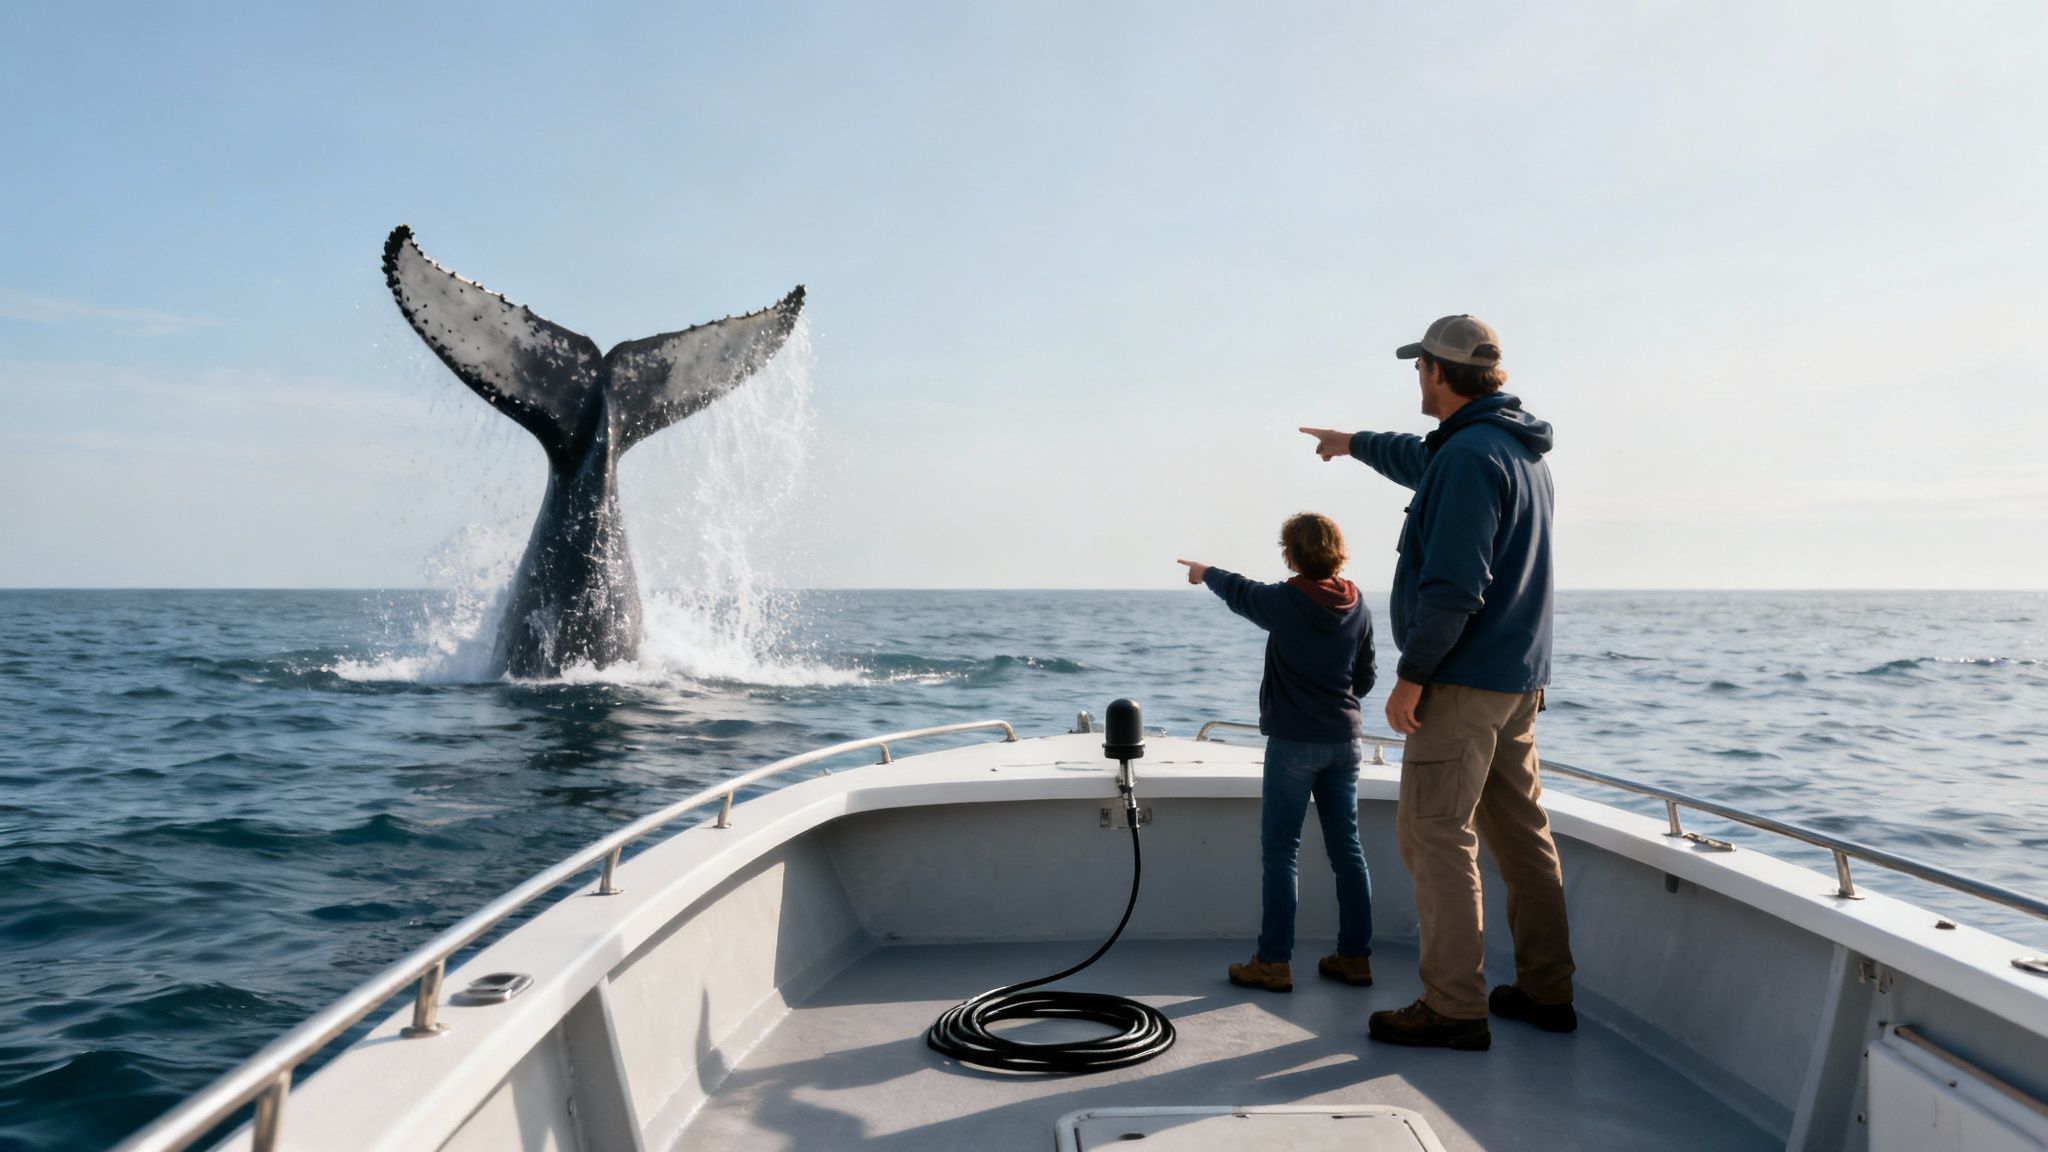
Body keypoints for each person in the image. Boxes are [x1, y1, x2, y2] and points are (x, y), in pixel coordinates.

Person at [1300, 314, 1576, 1052]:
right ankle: (1549, 991)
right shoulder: (1511, 451)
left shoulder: (1468, 457)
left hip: (1460, 680)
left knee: (1434, 833)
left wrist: (1411, 678)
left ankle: (1454, 1007)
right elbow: (1418, 459)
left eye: (1418, 367)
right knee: (1522, 839)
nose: (1415, 378)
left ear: (1438, 372)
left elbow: (1455, 587)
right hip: (1518, 683)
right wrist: (1352, 443)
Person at [1176, 512, 1377, 994]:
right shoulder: (1358, 604)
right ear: (1337, 551)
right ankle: (1354, 958)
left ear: (1291, 555)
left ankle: (1273, 962)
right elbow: (1365, 678)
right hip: (1345, 742)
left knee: (1282, 853)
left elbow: (1240, 590)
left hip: (1293, 744)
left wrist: (1205, 572)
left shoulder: (1287, 602)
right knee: (1347, 851)